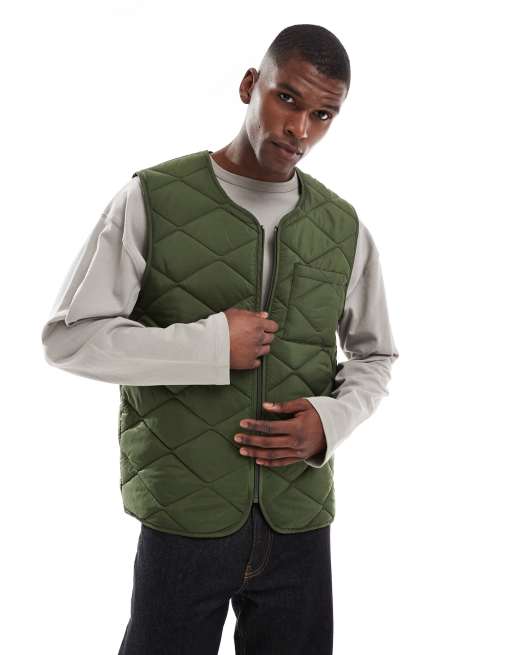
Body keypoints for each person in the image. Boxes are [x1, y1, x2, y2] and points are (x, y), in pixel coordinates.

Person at [41, 23, 399, 655]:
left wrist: (330, 421)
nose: (300, 129)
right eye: (286, 99)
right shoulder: (154, 198)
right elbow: (70, 337)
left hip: (299, 517)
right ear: (249, 85)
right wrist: (208, 346)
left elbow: (375, 355)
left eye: (322, 115)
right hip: (185, 516)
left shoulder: (344, 227)